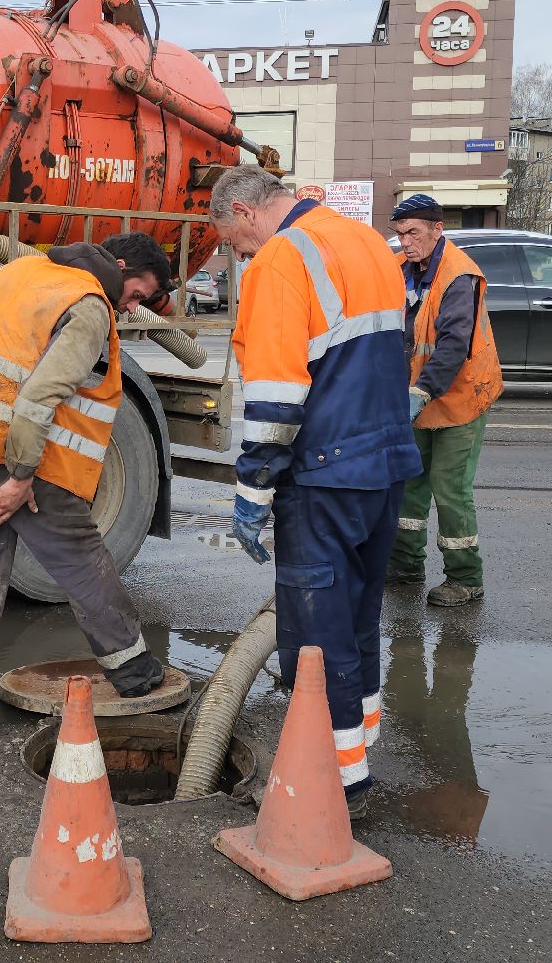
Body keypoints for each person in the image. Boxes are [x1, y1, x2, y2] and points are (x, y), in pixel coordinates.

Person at [211, 164, 420, 819]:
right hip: (383, 467)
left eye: (234, 245)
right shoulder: (363, 242)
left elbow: (275, 393)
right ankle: (355, 753)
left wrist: (252, 487)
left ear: (244, 212)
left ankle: (336, 787)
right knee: (357, 619)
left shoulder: (283, 258)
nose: (240, 258)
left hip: (324, 474)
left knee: (313, 632)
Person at [0, 233, 175, 743]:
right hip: (13, 460)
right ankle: (135, 672)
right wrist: (20, 476)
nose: (131, 305)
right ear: (121, 267)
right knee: (80, 559)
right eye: (138, 293)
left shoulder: (20, 272)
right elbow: (41, 394)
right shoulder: (88, 304)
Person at [384, 194, 503, 607]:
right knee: (409, 484)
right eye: (399, 234)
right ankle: (405, 564)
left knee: (449, 489)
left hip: (459, 397)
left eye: (413, 233)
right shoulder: (400, 269)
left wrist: (420, 391)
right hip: (416, 395)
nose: (406, 242)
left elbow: (453, 344)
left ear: (438, 230)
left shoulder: (459, 276)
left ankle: (466, 577)